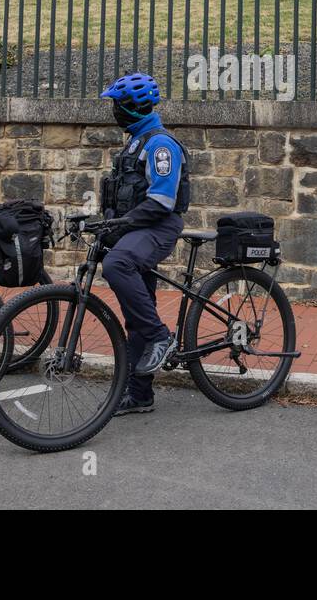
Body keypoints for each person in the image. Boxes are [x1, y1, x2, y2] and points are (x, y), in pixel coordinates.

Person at [97, 72, 190, 416]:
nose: (115, 112)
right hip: (135, 228)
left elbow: (161, 201)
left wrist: (121, 223)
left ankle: (159, 336)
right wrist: (105, 221)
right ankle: (139, 394)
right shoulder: (133, 143)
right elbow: (120, 196)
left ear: (133, 107)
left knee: (118, 265)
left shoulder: (159, 144)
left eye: (118, 106)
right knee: (137, 310)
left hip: (158, 225)